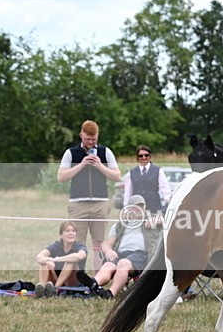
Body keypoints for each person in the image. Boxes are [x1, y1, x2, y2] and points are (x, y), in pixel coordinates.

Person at [57, 120, 121, 271]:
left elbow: (117, 176)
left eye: (94, 139)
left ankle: (97, 279)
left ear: (98, 135)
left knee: (99, 243)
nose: (91, 142)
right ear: (81, 135)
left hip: (101, 203)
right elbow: (61, 177)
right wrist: (82, 164)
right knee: (77, 244)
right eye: (88, 139)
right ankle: (78, 277)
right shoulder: (71, 153)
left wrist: (99, 165)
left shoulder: (106, 152)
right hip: (77, 204)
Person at [81, 195, 160, 299]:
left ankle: (110, 293)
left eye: (141, 206)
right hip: (120, 254)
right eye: (136, 206)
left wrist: (157, 219)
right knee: (108, 265)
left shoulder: (152, 220)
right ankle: (93, 284)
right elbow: (106, 244)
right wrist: (109, 251)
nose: (139, 209)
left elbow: (170, 221)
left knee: (123, 263)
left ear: (145, 207)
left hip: (141, 254)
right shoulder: (119, 225)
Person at [34, 221, 88, 297]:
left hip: (73, 281)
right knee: (44, 262)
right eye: (67, 231)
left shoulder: (80, 246)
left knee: (71, 261)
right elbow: (39, 257)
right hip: (56, 278)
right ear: (61, 235)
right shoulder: (56, 245)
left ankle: (56, 289)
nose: (71, 233)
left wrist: (57, 259)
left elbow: (80, 256)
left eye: (73, 231)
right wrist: (47, 261)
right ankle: (41, 288)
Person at [123, 145, 171, 213]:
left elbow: (164, 188)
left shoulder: (158, 171)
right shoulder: (130, 173)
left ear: (150, 156)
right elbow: (128, 193)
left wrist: (167, 200)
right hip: (137, 208)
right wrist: (126, 208)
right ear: (137, 157)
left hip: (155, 206)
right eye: (141, 156)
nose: (144, 157)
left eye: (146, 155)